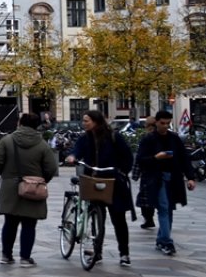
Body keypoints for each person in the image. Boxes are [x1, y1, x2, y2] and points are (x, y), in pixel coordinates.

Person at [67, 110, 135, 266]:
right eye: (83, 121)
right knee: (96, 217)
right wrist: (73, 156)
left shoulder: (113, 137)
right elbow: (77, 150)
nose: (84, 124)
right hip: (93, 180)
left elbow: (127, 156)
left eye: (86, 121)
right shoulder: (85, 138)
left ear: (96, 122)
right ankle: (97, 252)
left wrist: (121, 172)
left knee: (118, 219)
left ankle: (124, 253)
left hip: (113, 181)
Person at [0, 112, 59, 267]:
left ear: (20, 123)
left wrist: (7, 174)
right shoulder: (42, 144)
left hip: (10, 187)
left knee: (10, 222)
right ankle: (25, 258)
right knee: (29, 224)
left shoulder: (7, 140)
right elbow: (52, 167)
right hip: (33, 187)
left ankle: (6, 256)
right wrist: (41, 180)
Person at [135, 110, 197, 256]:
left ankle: (161, 239)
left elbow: (184, 158)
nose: (165, 126)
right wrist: (156, 157)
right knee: (163, 207)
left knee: (168, 209)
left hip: (173, 177)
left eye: (168, 123)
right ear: (156, 122)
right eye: (162, 123)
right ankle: (166, 241)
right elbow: (141, 160)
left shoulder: (174, 138)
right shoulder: (148, 139)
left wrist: (191, 177)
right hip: (156, 178)